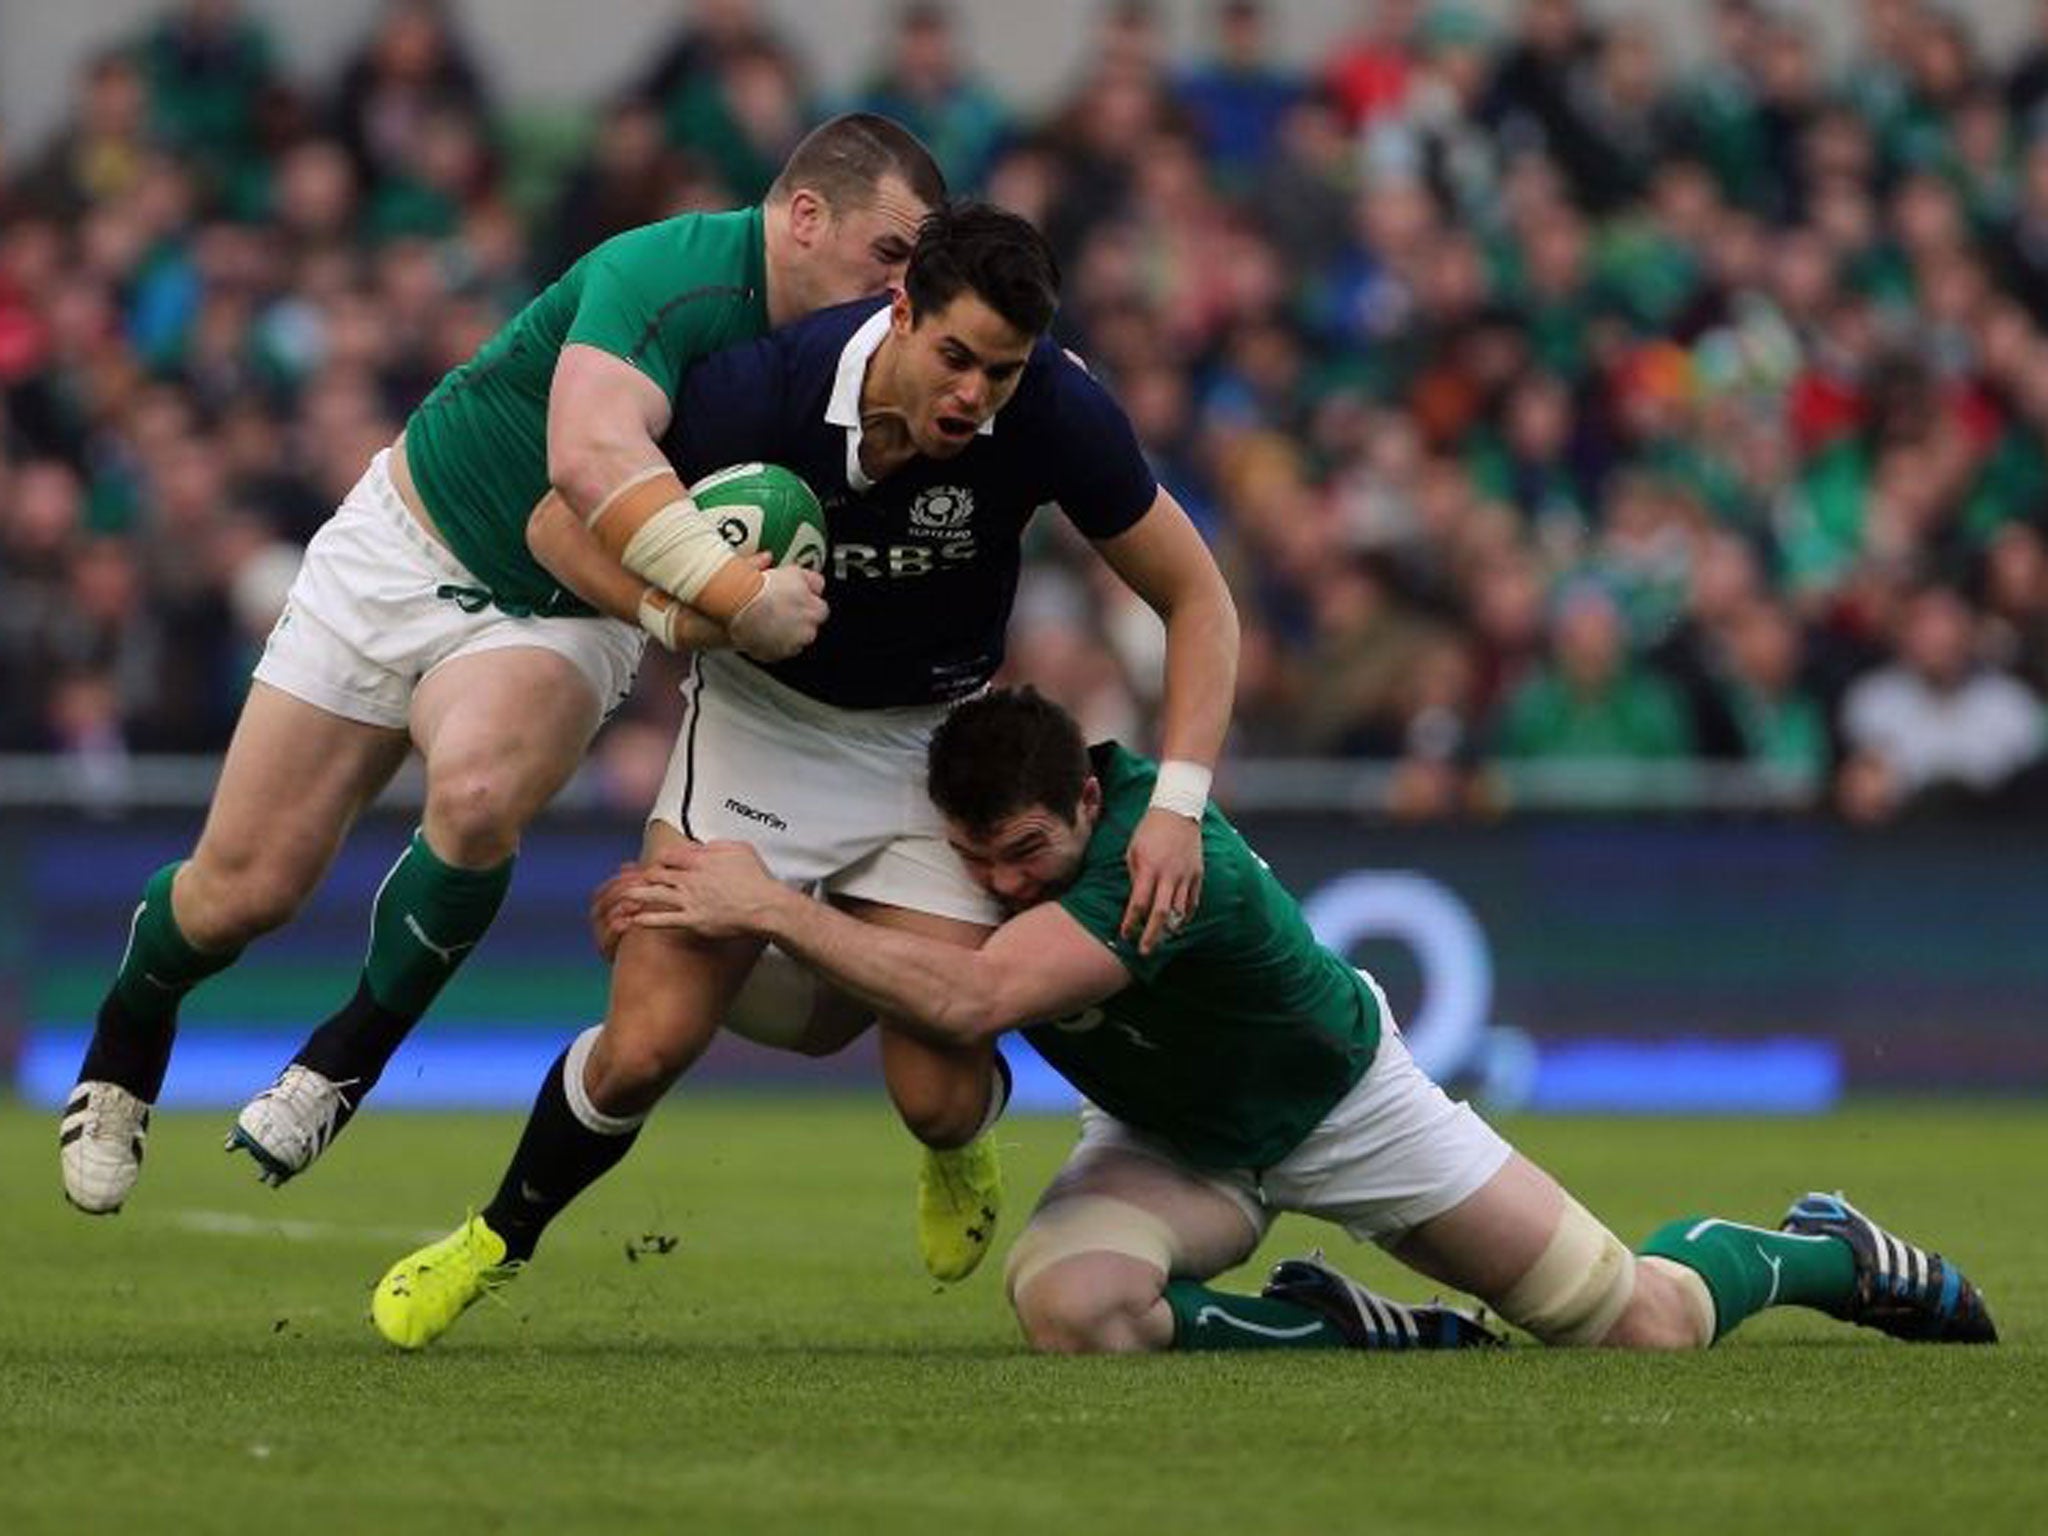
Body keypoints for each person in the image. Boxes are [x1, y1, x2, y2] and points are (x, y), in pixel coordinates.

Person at [368, 202, 1240, 1344]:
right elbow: (550, 524)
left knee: (932, 1099)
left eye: (1002, 370)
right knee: (643, 1048)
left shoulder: (1057, 409)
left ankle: (961, 1145)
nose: (975, 394)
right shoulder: (758, 389)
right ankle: (491, 1240)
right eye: (955, 357)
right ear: (897, 309)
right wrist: (679, 622)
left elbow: (1198, 600)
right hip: (757, 724)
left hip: (928, 745)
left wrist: (1178, 804)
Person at [59, 113, 947, 1215]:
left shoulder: (858, 359)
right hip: (404, 544)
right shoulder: (668, 271)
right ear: (805, 216)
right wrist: (726, 601)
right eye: (891, 254)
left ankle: (346, 1055)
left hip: (566, 607)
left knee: (478, 797)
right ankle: (127, 1035)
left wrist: (693, 617)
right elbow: (582, 462)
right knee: (244, 891)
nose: (900, 288)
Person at [557, 685, 1994, 1357]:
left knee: (1640, 1330)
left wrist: (773, 909)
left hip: (1345, 1112)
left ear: (1082, 803)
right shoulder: (999, 854)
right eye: (977, 861)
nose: (996, 885)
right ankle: (1338, 1327)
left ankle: (1811, 1253)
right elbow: (852, 1001)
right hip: (1163, 1141)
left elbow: (975, 996)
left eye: (1023, 858)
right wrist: (704, 934)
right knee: (1075, 1309)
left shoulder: (1153, 860)